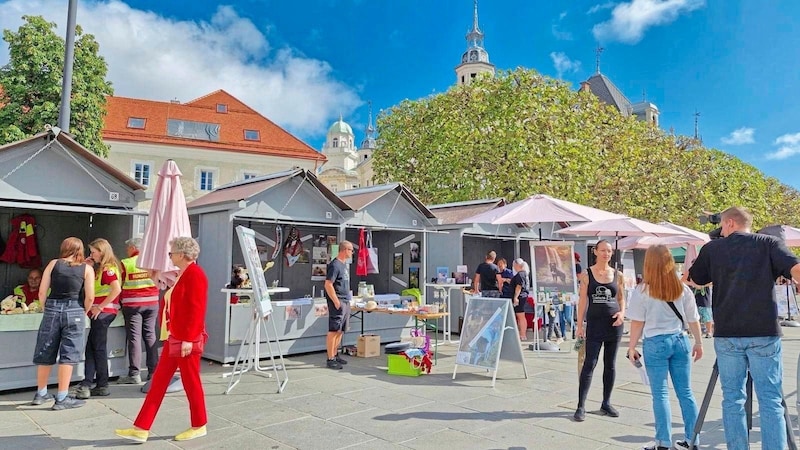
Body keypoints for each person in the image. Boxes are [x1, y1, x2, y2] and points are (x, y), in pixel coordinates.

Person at [687, 207, 800, 450]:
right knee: (770, 399)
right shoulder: (769, 243)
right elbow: (796, 270)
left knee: (733, 399)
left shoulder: (713, 249)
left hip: (728, 332)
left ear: (729, 223)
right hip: (764, 331)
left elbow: (695, 279)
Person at [115, 237, 209, 443]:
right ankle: (141, 428)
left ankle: (199, 424)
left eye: (172, 253)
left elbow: (196, 310)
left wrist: (189, 339)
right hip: (175, 338)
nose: (170, 256)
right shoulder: (184, 274)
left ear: (182, 254)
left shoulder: (195, 274)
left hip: (185, 340)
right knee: (158, 383)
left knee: (191, 383)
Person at [627, 245, 703, 450]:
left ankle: (663, 441)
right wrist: (698, 342)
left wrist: (632, 346)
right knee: (686, 392)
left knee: (660, 394)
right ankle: (692, 439)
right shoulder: (682, 289)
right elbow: (693, 319)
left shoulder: (643, 290)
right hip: (680, 340)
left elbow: (637, 322)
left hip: (655, 343)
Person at [30, 237, 95, 410]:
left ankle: (41, 393)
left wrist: (47, 308)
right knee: (68, 354)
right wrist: (84, 311)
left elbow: (42, 291)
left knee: (45, 350)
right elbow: (90, 297)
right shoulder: (87, 269)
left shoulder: (53, 264)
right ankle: (62, 397)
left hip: (52, 308)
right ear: (80, 250)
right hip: (75, 310)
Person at [574, 240, 625, 422]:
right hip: (595, 324)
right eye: (603, 250)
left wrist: (622, 313)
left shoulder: (617, 274)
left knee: (610, 364)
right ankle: (581, 405)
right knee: (590, 363)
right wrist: (580, 325)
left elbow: (621, 298)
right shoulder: (587, 274)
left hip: (614, 325)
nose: (606, 253)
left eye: (609, 251)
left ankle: (606, 402)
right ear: (595, 251)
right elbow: (582, 302)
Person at [72, 238, 122, 400]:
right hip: (101, 313)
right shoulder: (103, 268)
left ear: (102, 251)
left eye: (93, 252)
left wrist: (100, 307)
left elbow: (116, 289)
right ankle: (97, 383)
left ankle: (95, 384)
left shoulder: (108, 269)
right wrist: (87, 267)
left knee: (95, 348)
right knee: (95, 348)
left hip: (103, 312)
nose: (91, 254)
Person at [118, 238, 160, 385]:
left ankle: (134, 373)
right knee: (150, 335)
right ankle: (153, 371)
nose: (126, 251)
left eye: (127, 248)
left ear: (132, 248)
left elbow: (120, 283)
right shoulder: (152, 262)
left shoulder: (126, 263)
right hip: (152, 302)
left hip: (133, 304)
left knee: (134, 338)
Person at [324, 240, 353, 370]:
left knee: (341, 329)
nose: (352, 252)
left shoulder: (343, 265)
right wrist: (336, 301)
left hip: (345, 300)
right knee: (334, 330)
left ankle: (335, 354)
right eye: (351, 250)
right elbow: (328, 284)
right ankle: (330, 358)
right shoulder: (335, 265)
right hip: (338, 301)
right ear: (344, 250)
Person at [510, 258, 530, 340]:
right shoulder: (524, 274)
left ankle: (522, 334)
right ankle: (522, 334)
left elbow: (518, 287)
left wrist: (515, 297)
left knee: (520, 315)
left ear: (516, 265)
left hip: (520, 297)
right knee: (521, 315)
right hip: (523, 296)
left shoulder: (520, 274)